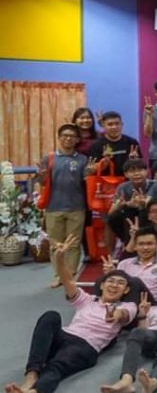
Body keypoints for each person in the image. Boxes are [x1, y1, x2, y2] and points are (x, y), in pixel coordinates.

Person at [5, 237, 136, 393]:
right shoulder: (87, 300)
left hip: (86, 347)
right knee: (51, 316)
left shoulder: (127, 306)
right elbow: (67, 280)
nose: (114, 286)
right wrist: (59, 257)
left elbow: (124, 315)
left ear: (126, 290)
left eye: (120, 284)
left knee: (56, 366)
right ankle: (32, 374)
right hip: (66, 335)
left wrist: (116, 314)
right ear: (102, 285)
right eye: (111, 282)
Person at [38, 123, 93, 287]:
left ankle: (71, 274)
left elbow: (85, 183)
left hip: (77, 207)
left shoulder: (83, 159)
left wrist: (89, 173)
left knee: (73, 244)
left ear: (77, 139)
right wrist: (41, 176)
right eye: (65, 135)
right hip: (53, 207)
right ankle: (58, 275)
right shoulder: (48, 158)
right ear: (59, 137)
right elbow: (42, 182)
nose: (68, 138)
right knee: (56, 245)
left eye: (72, 136)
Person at [89, 111, 141, 176]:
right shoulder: (96, 145)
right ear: (103, 126)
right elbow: (91, 171)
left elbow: (141, 168)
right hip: (105, 184)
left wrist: (134, 161)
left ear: (122, 124)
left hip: (128, 183)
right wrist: (104, 164)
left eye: (117, 124)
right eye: (110, 124)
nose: (114, 127)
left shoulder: (132, 143)